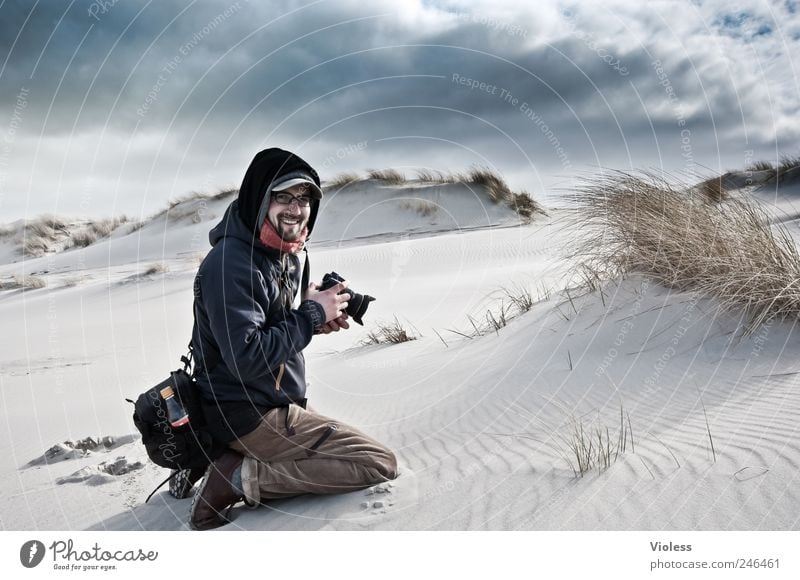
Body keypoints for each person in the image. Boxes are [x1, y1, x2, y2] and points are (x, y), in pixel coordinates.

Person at [187, 147, 398, 531]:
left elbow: (271, 329)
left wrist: (317, 318)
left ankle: (221, 458)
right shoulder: (231, 263)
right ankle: (234, 478)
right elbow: (247, 356)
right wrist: (311, 314)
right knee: (377, 463)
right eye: (283, 196)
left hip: (269, 400)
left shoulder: (282, 255)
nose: (295, 208)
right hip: (247, 412)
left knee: (349, 454)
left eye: (304, 199)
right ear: (259, 197)